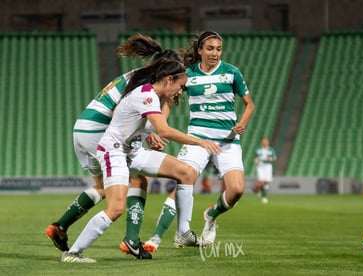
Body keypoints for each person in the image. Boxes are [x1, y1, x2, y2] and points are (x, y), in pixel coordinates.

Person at [61, 55, 221, 263]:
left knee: (186, 172)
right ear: (169, 79)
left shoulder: (150, 95)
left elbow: (151, 125)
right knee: (116, 208)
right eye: (180, 86)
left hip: (132, 152)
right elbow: (163, 130)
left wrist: (151, 128)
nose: (181, 91)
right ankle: (73, 253)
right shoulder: (146, 95)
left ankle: (182, 232)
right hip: (114, 152)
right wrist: (200, 142)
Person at [45, 33, 179, 252]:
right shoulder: (146, 84)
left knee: (102, 187)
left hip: (82, 128)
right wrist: (157, 122)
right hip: (100, 131)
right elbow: (122, 113)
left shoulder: (136, 75)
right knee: (138, 179)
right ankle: (132, 240)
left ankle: (60, 225)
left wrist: (146, 133)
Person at [144, 30, 255, 253]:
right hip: (197, 139)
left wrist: (241, 123)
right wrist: (160, 126)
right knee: (183, 182)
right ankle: (155, 238)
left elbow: (249, 105)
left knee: (237, 190)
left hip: (227, 141)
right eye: (210, 48)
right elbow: (169, 98)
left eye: (218, 49)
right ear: (200, 51)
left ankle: (211, 215)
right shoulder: (188, 74)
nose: (215, 53)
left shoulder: (232, 73)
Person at [254, 136, 277, 204]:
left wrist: (270, 159)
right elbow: (255, 157)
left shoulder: (271, 150)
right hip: (260, 166)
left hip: (268, 166)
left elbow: (275, 158)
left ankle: (260, 190)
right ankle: (264, 197)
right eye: (263, 140)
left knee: (266, 182)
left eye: (266, 140)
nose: (265, 142)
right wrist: (256, 160)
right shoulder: (258, 149)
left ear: (268, 142)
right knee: (262, 181)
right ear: (262, 142)